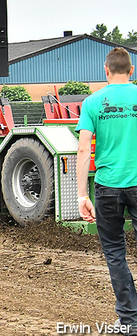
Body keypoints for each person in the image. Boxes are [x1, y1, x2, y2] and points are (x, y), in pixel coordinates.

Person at [77, 47, 137, 336]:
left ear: (106, 71)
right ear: (132, 71)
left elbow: (83, 148)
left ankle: (130, 320)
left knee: (115, 253)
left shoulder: (92, 102)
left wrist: (81, 196)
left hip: (107, 188)